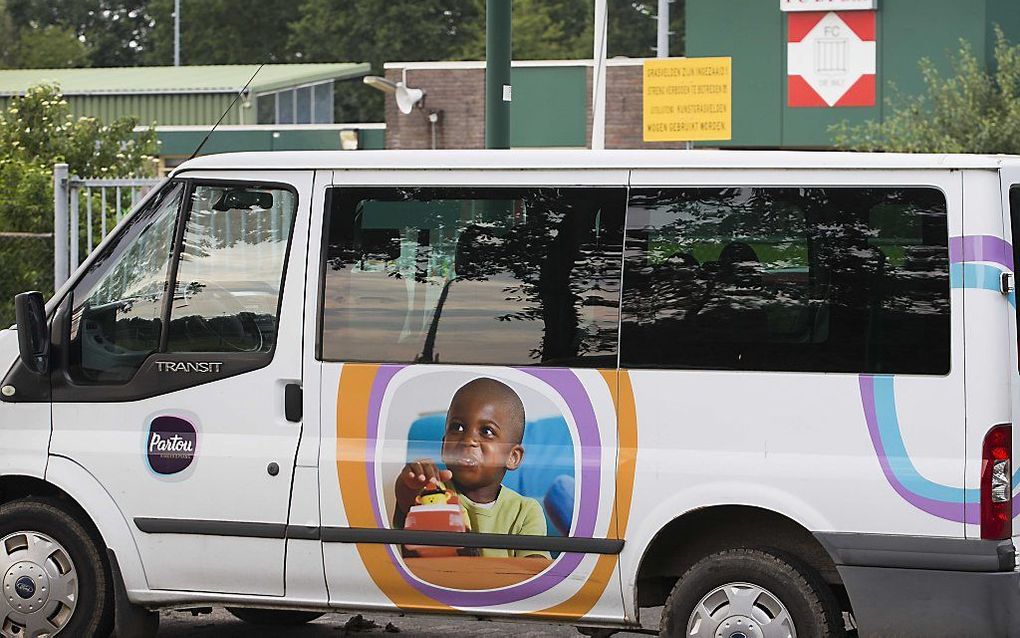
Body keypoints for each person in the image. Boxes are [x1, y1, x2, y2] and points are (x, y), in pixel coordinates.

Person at [394, 377, 550, 559]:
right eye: (457, 427)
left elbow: (535, 573)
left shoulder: (525, 511)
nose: (468, 440)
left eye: (487, 431)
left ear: (512, 457)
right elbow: (408, 498)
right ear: (444, 445)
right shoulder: (434, 491)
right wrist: (410, 483)